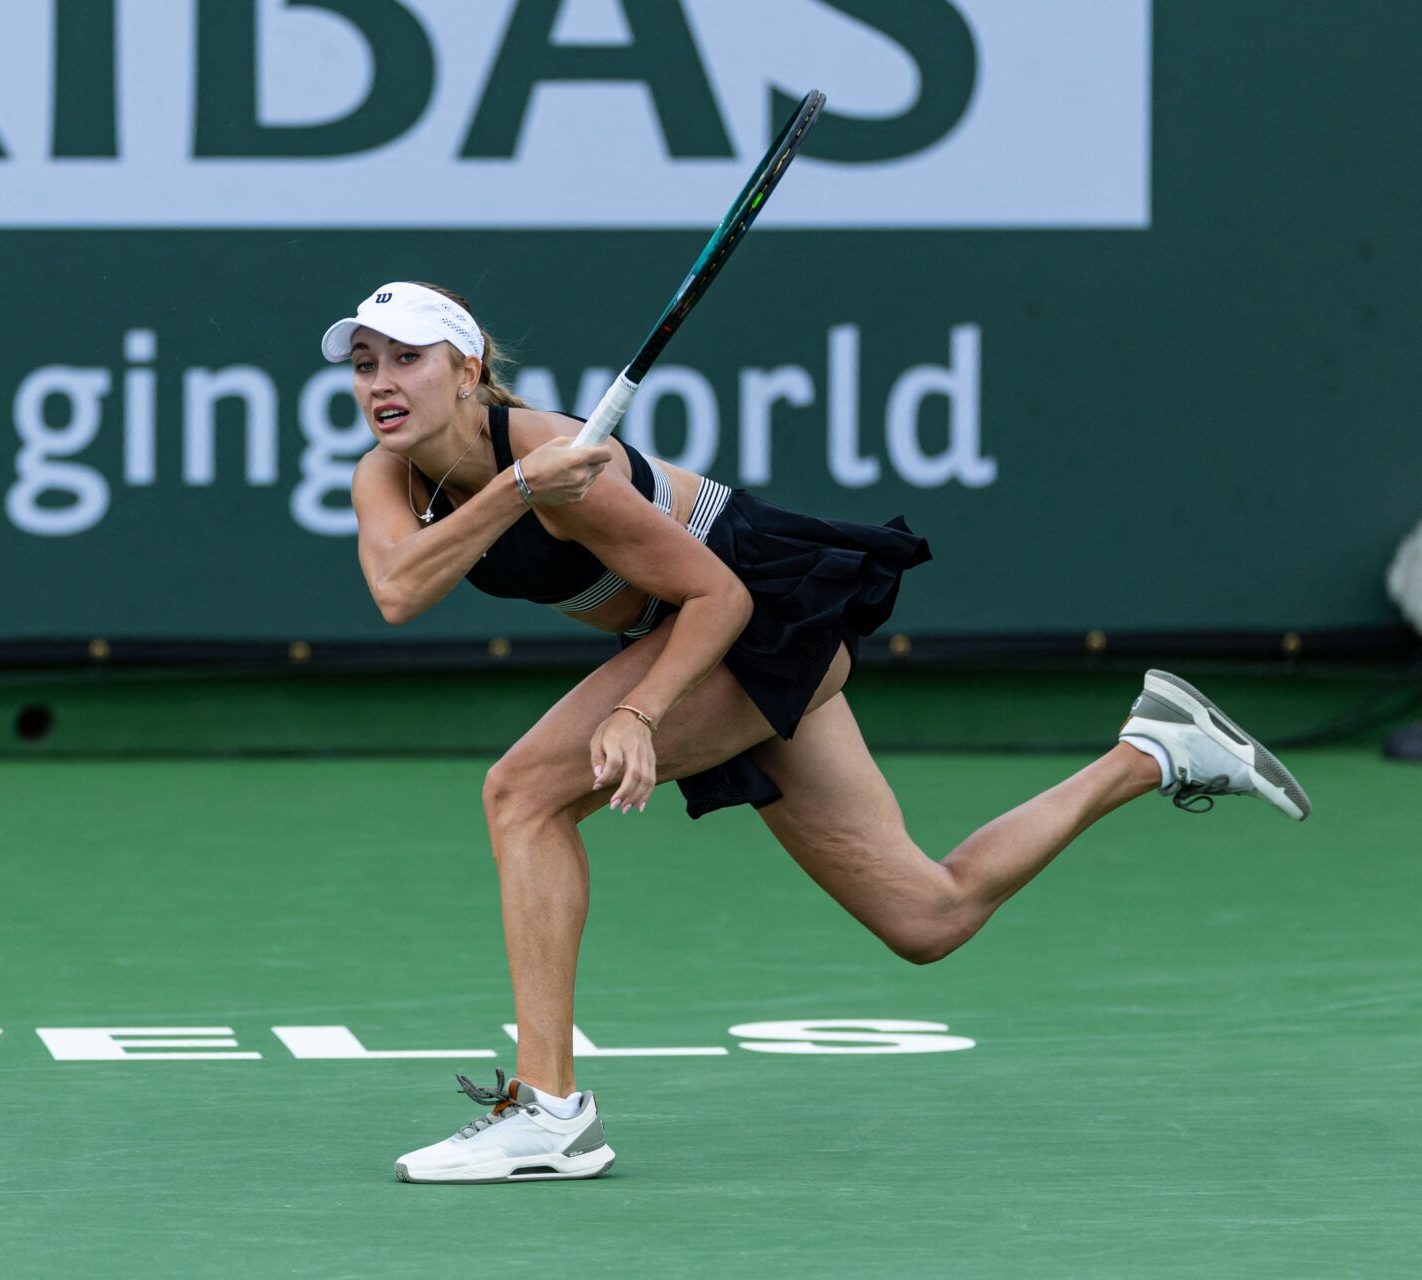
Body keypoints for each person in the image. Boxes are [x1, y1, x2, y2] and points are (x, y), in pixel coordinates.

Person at [322, 281, 1311, 1185]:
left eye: (405, 357)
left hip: (760, 608)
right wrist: (521, 491)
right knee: (929, 915)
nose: (380, 381)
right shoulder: (398, 474)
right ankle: (1154, 749)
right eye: (364, 362)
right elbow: (399, 589)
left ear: (466, 372)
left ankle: (548, 1109)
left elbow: (718, 595)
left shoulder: (561, 463)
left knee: (522, 792)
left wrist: (637, 708)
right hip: (686, 630)